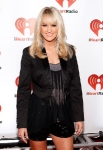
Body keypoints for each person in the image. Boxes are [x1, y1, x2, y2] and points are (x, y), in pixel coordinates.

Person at [17, 6, 84, 150]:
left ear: (59, 27)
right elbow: (23, 90)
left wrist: (79, 116)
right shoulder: (30, 53)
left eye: (53, 25)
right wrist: (22, 123)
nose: (49, 30)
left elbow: (75, 86)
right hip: (38, 113)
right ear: (39, 27)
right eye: (44, 25)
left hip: (63, 113)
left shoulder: (69, 51)